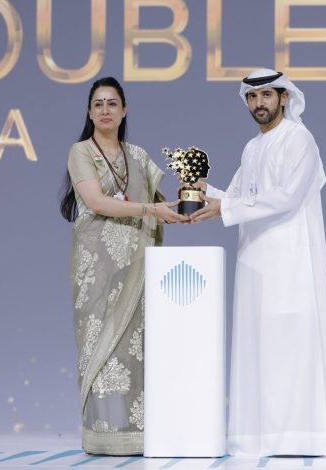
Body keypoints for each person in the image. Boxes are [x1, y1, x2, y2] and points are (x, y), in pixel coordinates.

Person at [190, 69, 326, 457]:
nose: (259, 103)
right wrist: (204, 193)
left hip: (291, 263)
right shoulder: (252, 148)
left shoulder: (299, 140)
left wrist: (225, 207)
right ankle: (257, 438)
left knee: (290, 347)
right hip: (254, 263)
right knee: (257, 348)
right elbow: (237, 196)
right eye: (252, 97)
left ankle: (300, 438)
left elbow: (287, 197)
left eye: (267, 95)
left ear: (284, 98)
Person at [59, 77, 187, 455]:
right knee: (99, 344)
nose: (105, 110)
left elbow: (164, 202)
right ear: (89, 112)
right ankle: (102, 434)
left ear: (124, 110)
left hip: (136, 264)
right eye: (98, 104)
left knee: (135, 346)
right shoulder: (81, 151)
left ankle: (137, 433)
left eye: (112, 103)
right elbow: (97, 202)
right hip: (95, 266)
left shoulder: (139, 156)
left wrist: (190, 198)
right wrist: (151, 210)